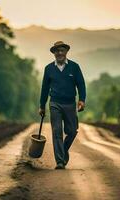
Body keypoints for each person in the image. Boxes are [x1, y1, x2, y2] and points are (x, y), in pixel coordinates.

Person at [39, 41, 86, 169]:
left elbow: (81, 84)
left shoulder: (74, 67)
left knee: (72, 131)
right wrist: (42, 105)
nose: (59, 53)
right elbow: (44, 88)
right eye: (57, 51)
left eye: (62, 50)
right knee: (57, 132)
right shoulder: (49, 69)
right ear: (54, 53)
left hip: (70, 104)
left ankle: (63, 150)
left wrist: (82, 100)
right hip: (55, 103)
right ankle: (60, 161)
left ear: (66, 52)